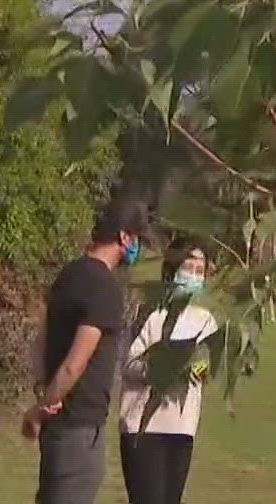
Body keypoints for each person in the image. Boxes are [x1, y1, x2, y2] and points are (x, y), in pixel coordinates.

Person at [24, 199, 148, 504]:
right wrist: (44, 404)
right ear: (124, 237)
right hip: (79, 426)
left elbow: (42, 339)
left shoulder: (69, 275)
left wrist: (43, 393)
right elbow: (74, 365)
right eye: (137, 238)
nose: (138, 246)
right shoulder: (104, 288)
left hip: (59, 426)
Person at [119, 240, 219, 504]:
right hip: (143, 429)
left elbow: (206, 367)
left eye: (200, 270)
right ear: (172, 269)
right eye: (189, 268)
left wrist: (199, 370)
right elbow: (128, 365)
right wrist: (161, 368)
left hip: (182, 430)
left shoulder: (206, 320)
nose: (195, 276)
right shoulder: (149, 313)